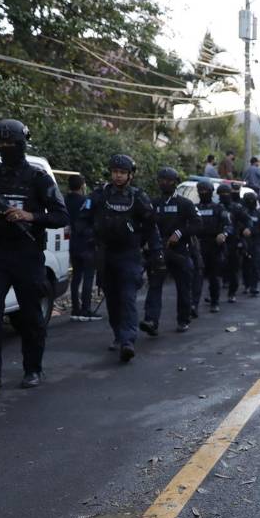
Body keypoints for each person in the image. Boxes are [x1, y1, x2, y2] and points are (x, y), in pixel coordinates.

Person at [0, 119, 68, 394]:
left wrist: (30, 216)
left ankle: (33, 369)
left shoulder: (38, 178)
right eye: (2, 143)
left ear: (22, 144)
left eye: (11, 143)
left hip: (27, 255)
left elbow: (61, 215)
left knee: (31, 318)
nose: (6, 148)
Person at [79, 154, 159, 362]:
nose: (118, 176)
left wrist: (156, 252)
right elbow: (82, 221)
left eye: (122, 173)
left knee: (127, 298)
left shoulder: (138, 197)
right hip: (105, 255)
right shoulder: (98, 196)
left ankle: (128, 341)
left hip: (130, 255)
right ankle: (118, 335)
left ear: (130, 175)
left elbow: (151, 227)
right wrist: (91, 241)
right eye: (115, 172)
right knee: (113, 299)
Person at [142, 167, 199, 335]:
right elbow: (145, 226)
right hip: (159, 251)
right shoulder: (153, 204)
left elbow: (197, 223)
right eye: (161, 180)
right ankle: (151, 320)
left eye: (168, 181)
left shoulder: (185, 204)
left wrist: (180, 233)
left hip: (180, 252)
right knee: (154, 286)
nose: (164, 183)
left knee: (183, 287)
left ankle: (183, 319)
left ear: (175, 182)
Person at [64, 174, 100, 322]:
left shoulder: (65, 201)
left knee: (76, 276)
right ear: (82, 185)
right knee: (88, 276)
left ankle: (75, 309)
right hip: (87, 242)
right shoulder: (86, 201)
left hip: (73, 242)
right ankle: (86, 309)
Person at [194, 181, 226, 314]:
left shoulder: (219, 208)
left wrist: (223, 234)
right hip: (198, 245)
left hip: (214, 245)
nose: (203, 193)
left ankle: (214, 301)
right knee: (197, 276)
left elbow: (227, 225)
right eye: (200, 190)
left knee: (214, 277)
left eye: (205, 190)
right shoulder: (194, 208)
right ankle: (193, 304)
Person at [217, 184, 247, 302]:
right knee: (216, 269)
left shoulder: (237, 208)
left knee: (233, 268)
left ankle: (232, 292)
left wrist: (245, 229)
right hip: (218, 240)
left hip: (233, 241)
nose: (223, 196)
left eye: (225, 194)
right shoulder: (217, 207)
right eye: (221, 194)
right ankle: (214, 293)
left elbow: (247, 220)